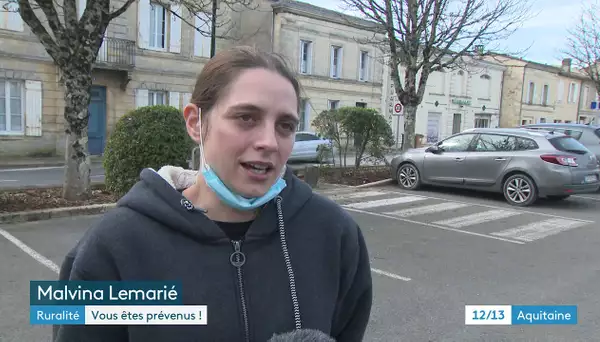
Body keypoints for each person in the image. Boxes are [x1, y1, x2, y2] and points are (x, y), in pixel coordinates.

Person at [52, 46, 373, 342]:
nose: (270, 142)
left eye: (285, 126)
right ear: (196, 123)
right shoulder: (112, 245)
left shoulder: (336, 235)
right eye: (246, 118)